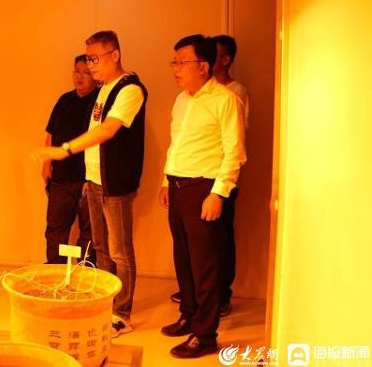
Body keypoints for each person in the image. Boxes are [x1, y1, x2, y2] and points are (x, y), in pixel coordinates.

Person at [33, 30, 147, 336]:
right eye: (87, 59)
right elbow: (94, 136)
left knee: (120, 250)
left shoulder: (130, 89)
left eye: (95, 59)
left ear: (115, 55)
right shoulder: (103, 89)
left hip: (116, 184)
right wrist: (86, 176)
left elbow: (108, 130)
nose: (91, 66)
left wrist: (64, 150)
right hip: (94, 180)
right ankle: (105, 302)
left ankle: (121, 312)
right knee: (100, 247)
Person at [158, 35, 246, 358]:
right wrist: (165, 180)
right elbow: (176, 144)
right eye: (175, 62)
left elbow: (234, 152)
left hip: (204, 189)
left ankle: (206, 334)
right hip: (177, 186)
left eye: (182, 62)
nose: (176, 69)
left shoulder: (225, 100)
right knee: (183, 258)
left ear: (204, 66)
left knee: (205, 265)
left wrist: (218, 193)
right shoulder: (181, 100)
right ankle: (189, 315)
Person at [43, 54, 98, 265]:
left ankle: (84, 272)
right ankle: (54, 270)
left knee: (89, 232)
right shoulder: (64, 100)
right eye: (77, 71)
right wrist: (46, 164)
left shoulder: (99, 102)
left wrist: (91, 179)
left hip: (88, 179)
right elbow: (50, 134)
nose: (79, 77)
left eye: (86, 73)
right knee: (55, 227)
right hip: (60, 177)